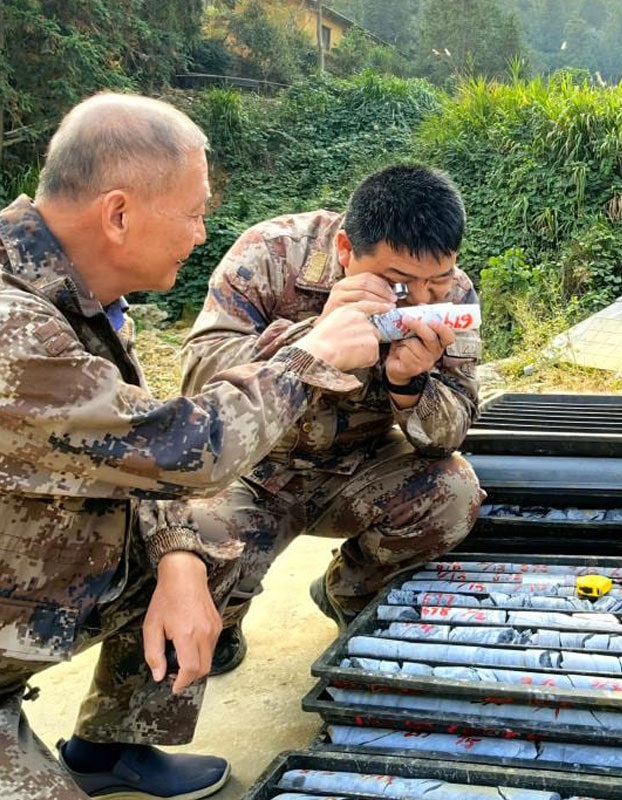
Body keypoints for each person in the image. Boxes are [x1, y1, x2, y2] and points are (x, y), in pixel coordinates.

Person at [0, 93, 390, 799]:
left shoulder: (76, 296)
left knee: (210, 541)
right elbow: (177, 449)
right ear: (119, 213)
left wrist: (180, 560)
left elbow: (125, 461)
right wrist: (309, 354)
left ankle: (112, 748)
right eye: (194, 212)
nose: (201, 233)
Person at [178, 163, 484, 673]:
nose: (423, 299)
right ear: (345, 250)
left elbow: (450, 433)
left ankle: (349, 591)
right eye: (399, 284)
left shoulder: (453, 295)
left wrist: (410, 387)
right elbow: (198, 383)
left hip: (358, 467)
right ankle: (225, 617)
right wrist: (314, 338)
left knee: (453, 492)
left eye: (438, 281)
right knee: (190, 541)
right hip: (253, 468)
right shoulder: (270, 253)